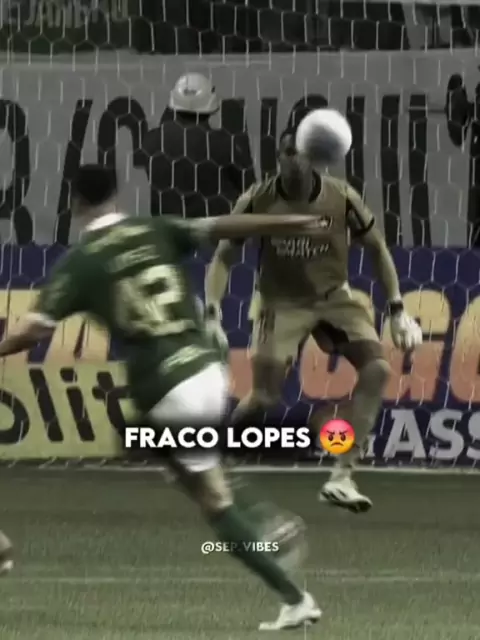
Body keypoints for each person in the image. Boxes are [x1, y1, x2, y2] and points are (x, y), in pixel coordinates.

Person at [0, 163, 320, 630]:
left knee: (213, 502)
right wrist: (287, 221)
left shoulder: (82, 262)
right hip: (209, 371)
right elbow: (223, 226)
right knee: (181, 463)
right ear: (116, 195)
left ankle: (288, 580)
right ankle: (251, 509)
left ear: (76, 202)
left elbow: (33, 329)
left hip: (167, 387)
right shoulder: (155, 229)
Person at [204, 131, 423, 513]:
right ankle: (218, 455)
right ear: (279, 157)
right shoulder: (257, 199)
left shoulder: (341, 197)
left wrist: (397, 308)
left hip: (334, 298)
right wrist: (211, 312)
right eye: (288, 152)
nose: (294, 159)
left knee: (377, 369)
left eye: (302, 153)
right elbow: (224, 254)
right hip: (280, 303)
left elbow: (377, 247)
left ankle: (342, 477)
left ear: (316, 158)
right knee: (264, 397)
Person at [141, 73, 254, 218]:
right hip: (216, 229)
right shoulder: (223, 144)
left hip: (166, 229)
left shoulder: (151, 141)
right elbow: (250, 189)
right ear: (211, 102)